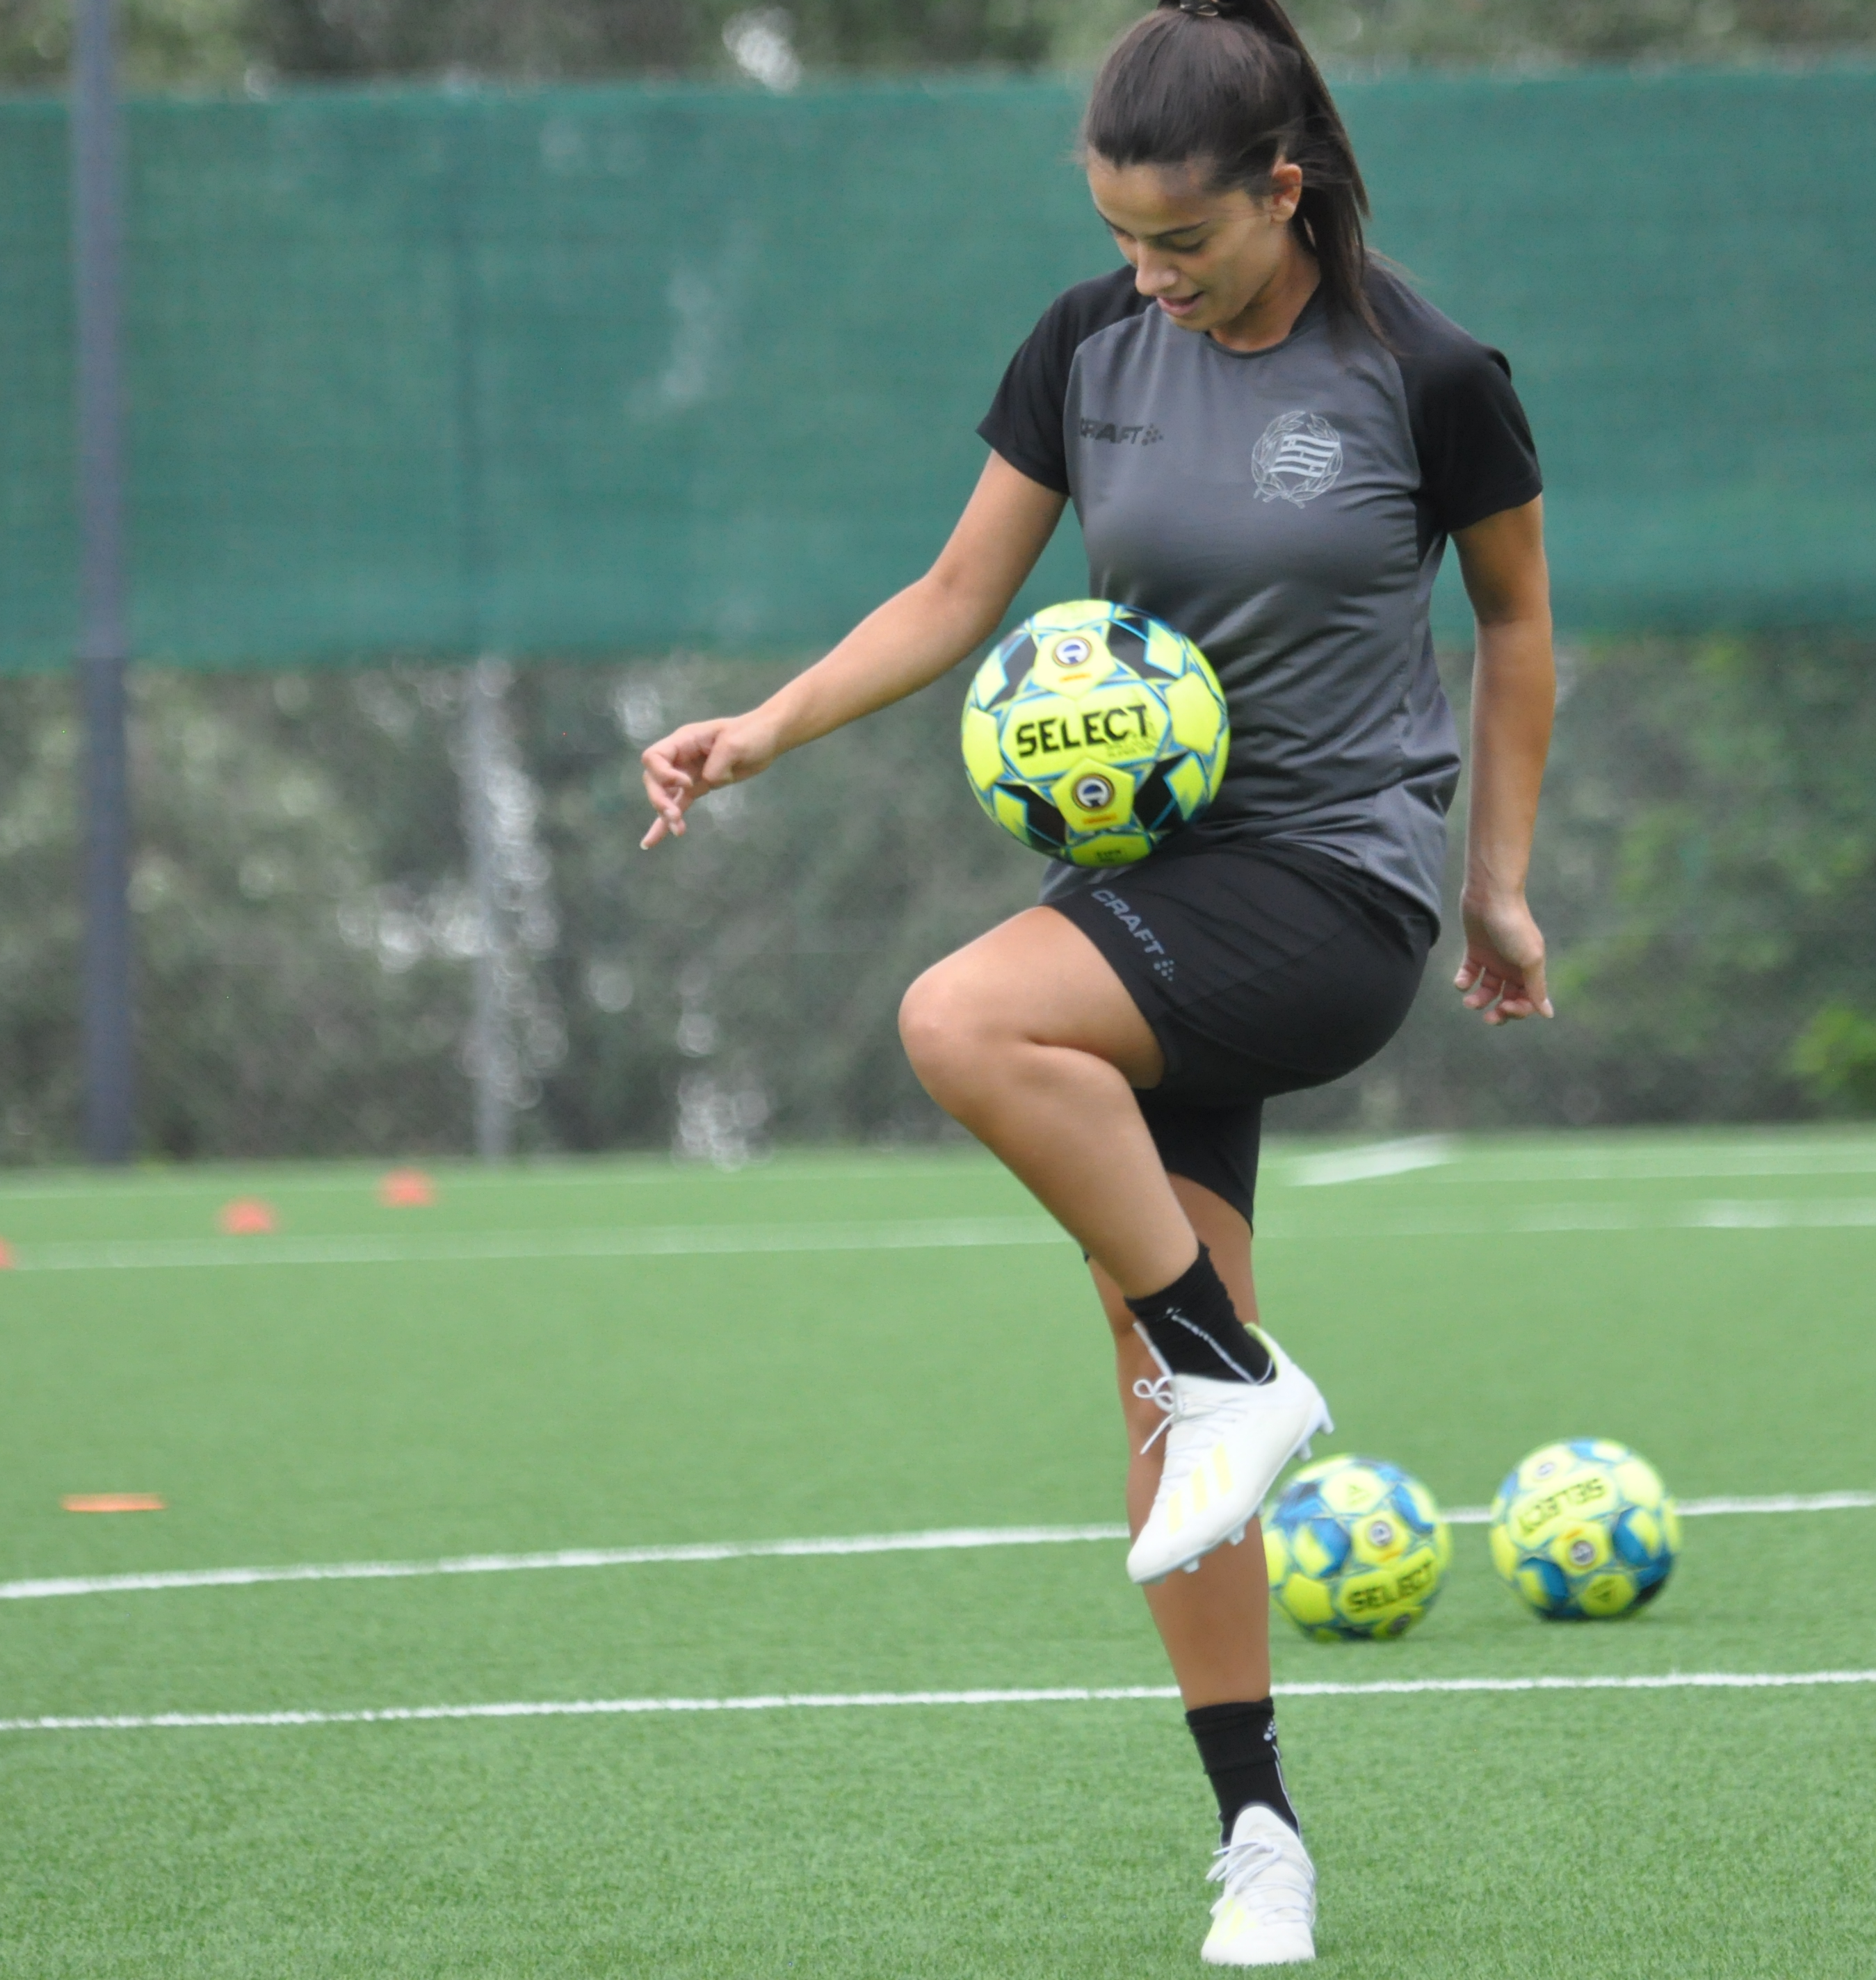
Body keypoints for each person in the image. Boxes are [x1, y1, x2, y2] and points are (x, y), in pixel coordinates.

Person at [639, 0, 1552, 1960]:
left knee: (963, 1015)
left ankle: (1240, 1372)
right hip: (1142, 891)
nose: (1149, 275)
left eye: (1183, 240)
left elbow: (1516, 623)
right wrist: (763, 727)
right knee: (1162, 1413)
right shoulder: (1085, 347)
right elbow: (956, 595)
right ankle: (1262, 1840)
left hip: (1335, 886)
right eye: (1123, 237)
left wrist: (1494, 884)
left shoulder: (1429, 373)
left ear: (1283, 190)